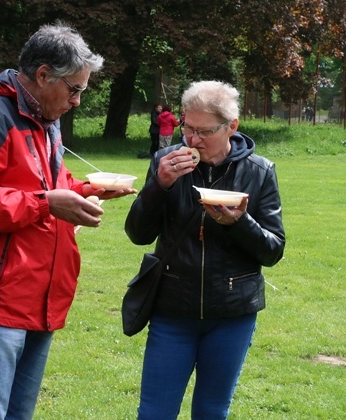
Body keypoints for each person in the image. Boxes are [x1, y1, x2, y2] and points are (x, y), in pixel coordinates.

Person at [0, 21, 136, 419]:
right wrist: (47, 203)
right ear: (44, 75)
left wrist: (87, 190)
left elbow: (46, 184)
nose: (78, 101)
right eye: (75, 89)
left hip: (39, 298)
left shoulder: (46, 121)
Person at [125, 80, 285, 419]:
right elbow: (138, 233)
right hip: (172, 310)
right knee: (154, 412)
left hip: (232, 313)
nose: (192, 140)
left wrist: (239, 223)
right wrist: (158, 185)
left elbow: (273, 250)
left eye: (204, 132)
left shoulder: (259, 172)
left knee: (212, 411)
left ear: (232, 127)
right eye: (188, 128)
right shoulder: (166, 162)